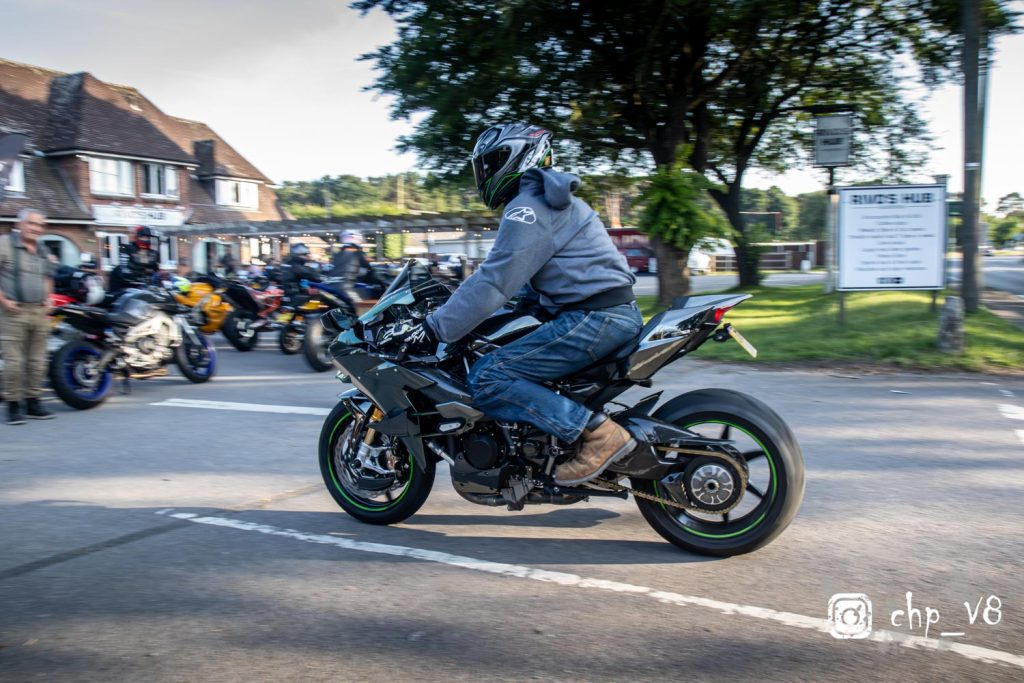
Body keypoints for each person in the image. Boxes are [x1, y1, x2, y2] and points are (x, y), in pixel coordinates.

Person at [409, 123, 643, 485]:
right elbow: (525, 289)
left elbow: (494, 280)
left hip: (595, 318)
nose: (484, 174)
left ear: (517, 157)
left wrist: (435, 327)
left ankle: (599, 435)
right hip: (601, 316)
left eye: (491, 163)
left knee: (488, 377)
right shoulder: (544, 201)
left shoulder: (528, 208)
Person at [0, 208, 57, 424]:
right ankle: (13, 406)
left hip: (38, 312)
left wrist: (49, 298)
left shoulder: (42, 248)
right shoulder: (5, 243)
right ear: (19, 224)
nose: (35, 228)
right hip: (12, 312)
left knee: (38, 361)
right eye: (31, 223)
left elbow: (48, 276)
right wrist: (4, 301)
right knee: (14, 362)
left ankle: (33, 401)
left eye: (39, 225)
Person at [330, 229, 384, 305]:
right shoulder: (358, 254)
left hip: (332, 287)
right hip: (348, 289)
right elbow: (370, 273)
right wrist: (381, 283)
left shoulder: (337, 255)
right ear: (359, 240)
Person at [108, 225, 162, 293]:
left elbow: (156, 270)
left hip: (146, 286)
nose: (146, 239)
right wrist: (132, 275)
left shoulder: (153, 253)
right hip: (127, 286)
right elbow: (124, 268)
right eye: (144, 237)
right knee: (117, 270)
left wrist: (161, 275)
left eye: (148, 237)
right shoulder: (127, 248)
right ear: (138, 237)